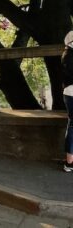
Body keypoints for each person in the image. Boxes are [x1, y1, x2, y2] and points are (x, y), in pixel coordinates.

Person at [62, 31, 73, 172]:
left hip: (69, 93)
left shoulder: (67, 55)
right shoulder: (70, 56)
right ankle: (69, 161)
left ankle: (69, 160)